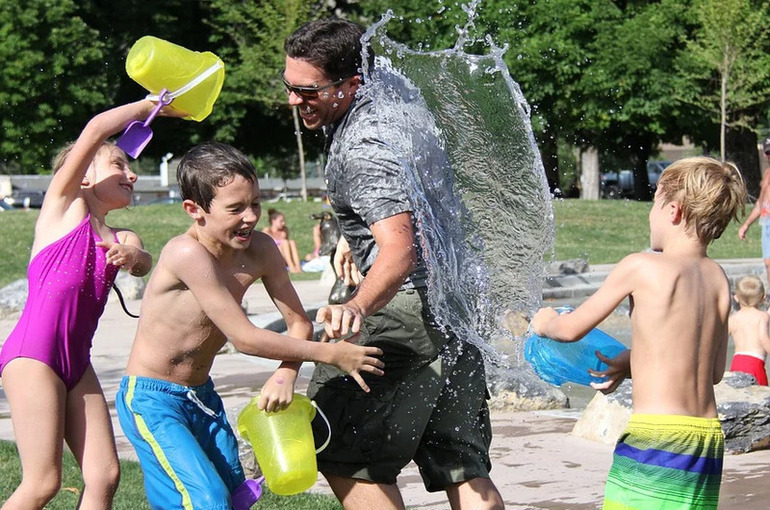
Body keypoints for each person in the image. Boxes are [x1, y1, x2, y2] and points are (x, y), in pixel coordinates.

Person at [284, 18, 504, 510]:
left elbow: (400, 249)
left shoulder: (363, 147)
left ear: (351, 84)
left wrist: (358, 304)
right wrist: (350, 235)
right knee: (461, 464)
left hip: (405, 310)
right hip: (458, 307)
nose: (294, 101)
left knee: (340, 452)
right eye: (289, 86)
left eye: (307, 91)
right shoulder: (400, 106)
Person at [115, 142, 384, 509]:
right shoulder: (185, 253)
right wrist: (330, 354)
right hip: (152, 398)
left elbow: (297, 322)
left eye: (255, 203)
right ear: (195, 210)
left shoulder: (261, 251)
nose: (250, 216)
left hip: (201, 396)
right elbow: (244, 337)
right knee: (205, 499)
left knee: (236, 498)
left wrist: (287, 373)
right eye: (235, 208)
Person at [531, 156, 747, 509]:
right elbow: (712, 372)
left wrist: (545, 321)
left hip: (657, 439)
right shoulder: (718, 279)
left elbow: (569, 330)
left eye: (654, 204)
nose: (650, 214)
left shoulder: (642, 266)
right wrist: (633, 360)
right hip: (706, 442)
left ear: (674, 211)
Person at [0, 100, 166, 508]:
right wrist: (152, 105)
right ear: (84, 176)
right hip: (33, 357)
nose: (132, 174)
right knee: (42, 484)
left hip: (77, 362)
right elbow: (94, 130)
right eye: (118, 166)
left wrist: (133, 258)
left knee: (105, 475)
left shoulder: (122, 235)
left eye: (131, 168)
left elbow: (143, 263)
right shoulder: (63, 208)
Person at [738, 137, 770, 284]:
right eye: (769, 153)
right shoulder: (767, 174)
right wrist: (746, 225)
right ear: (765, 154)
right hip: (766, 222)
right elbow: (760, 204)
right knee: (768, 264)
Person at [728, 275, 770, 385]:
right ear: (763, 298)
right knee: (761, 397)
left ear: (736, 297)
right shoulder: (762, 317)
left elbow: (720, 340)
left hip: (736, 363)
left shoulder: (733, 319)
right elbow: (763, 339)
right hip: (754, 364)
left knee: (739, 398)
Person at [262, 207, 302, 273]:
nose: (283, 223)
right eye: (281, 221)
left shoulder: (284, 230)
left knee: (292, 242)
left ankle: (298, 267)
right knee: (285, 242)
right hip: (273, 257)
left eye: (284, 221)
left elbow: (288, 248)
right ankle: (291, 267)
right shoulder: (267, 231)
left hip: (284, 257)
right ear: (273, 221)